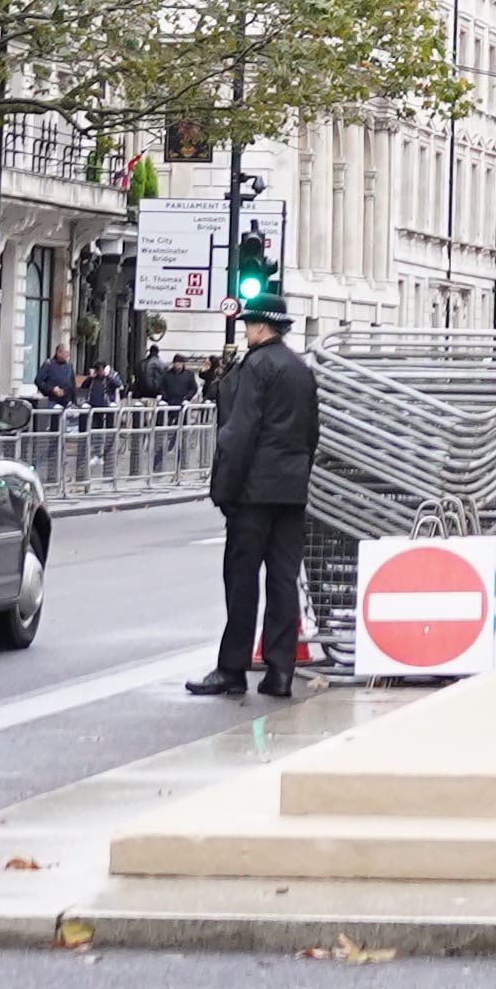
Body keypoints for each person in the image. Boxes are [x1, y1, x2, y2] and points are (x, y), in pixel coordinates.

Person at [183, 282, 321, 700]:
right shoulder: (300, 369)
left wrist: (224, 490)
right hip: (291, 491)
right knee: (282, 580)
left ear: (262, 327)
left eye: (249, 325)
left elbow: (239, 433)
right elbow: (311, 433)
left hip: (253, 492)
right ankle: (280, 671)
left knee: (241, 581)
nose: (246, 332)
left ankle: (232, 668)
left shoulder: (255, 367)